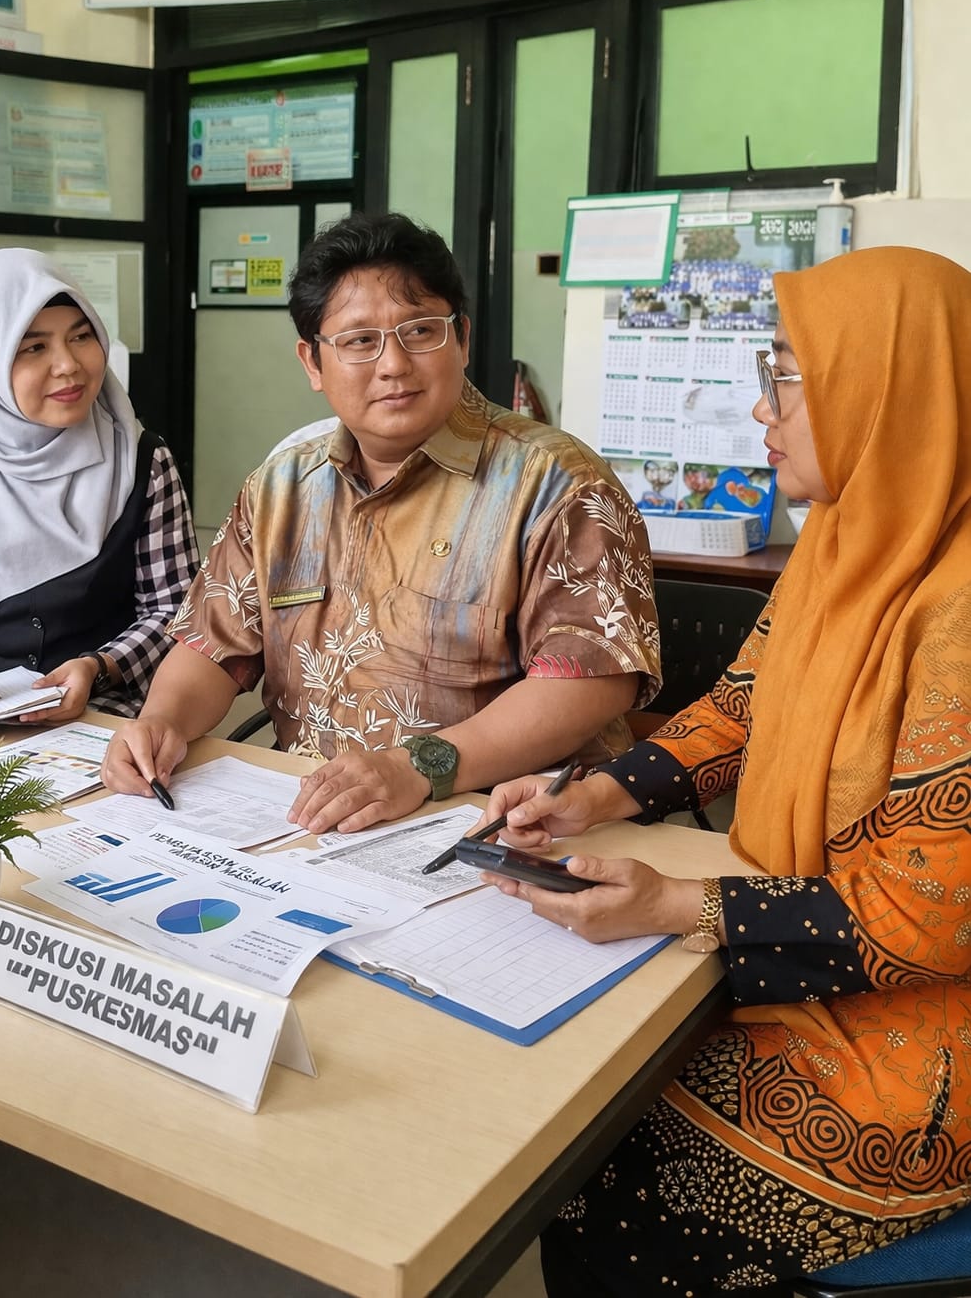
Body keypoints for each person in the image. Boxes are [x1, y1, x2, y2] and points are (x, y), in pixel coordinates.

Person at [478, 246, 971, 1294]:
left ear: (886, 388)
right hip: (803, 958)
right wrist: (594, 794)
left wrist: (681, 904)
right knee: (573, 1107)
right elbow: (741, 707)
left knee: (609, 1166)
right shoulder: (843, 538)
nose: (761, 410)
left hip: (924, 1045)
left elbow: (933, 916)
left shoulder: (962, 607)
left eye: (787, 377)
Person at [103, 211, 659, 831]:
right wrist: (162, 721)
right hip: (315, 820)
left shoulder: (558, 482)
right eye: (359, 341)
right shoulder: (281, 488)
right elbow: (213, 645)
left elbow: (592, 681)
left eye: (419, 331)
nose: (393, 364)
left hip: (506, 826)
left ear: (462, 338)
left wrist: (418, 767)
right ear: (313, 362)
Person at [0, 248, 199, 722]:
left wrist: (100, 666)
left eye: (81, 336)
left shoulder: (141, 460)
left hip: (99, 719)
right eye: (33, 348)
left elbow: (176, 611)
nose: (68, 365)